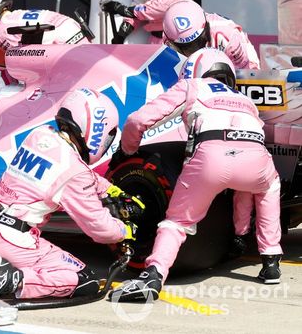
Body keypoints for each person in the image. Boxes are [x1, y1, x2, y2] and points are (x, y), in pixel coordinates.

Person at [110, 48, 282, 303]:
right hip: (256, 156)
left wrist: (127, 151)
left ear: (195, 70)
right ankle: (270, 261)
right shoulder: (245, 100)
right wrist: (240, 228)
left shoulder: (192, 86)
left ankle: (154, 273)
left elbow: (138, 120)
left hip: (211, 156)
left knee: (177, 222)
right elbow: (244, 179)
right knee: (267, 188)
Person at [0, 88, 142, 298]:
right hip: (10, 242)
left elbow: (72, 172)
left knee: (14, 256)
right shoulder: (76, 173)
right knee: (83, 279)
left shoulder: (40, 135)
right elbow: (99, 228)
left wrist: (110, 190)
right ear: (96, 129)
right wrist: (125, 230)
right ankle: (11, 280)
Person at [162, 0, 260, 69]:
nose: (194, 51)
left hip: (238, 64)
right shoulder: (169, 37)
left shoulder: (228, 36)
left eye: (197, 43)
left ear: (206, 27)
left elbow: (245, 73)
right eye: (187, 47)